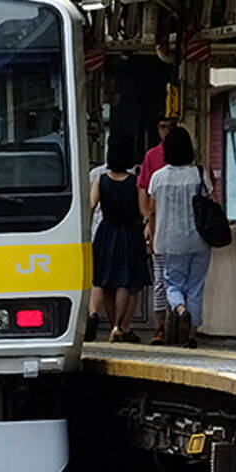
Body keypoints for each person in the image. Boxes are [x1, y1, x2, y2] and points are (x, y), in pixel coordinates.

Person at [147, 127, 210, 348]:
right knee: (196, 286)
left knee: (172, 284)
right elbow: (212, 201)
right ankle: (192, 334)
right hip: (199, 239)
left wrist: (152, 239)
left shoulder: (157, 178)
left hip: (169, 240)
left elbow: (152, 211)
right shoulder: (199, 174)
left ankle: (181, 310)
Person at [91, 138, 150, 342]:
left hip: (106, 232)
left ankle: (113, 324)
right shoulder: (135, 182)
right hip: (130, 233)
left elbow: (91, 206)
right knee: (127, 281)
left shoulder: (101, 180)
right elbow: (145, 210)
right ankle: (120, 325)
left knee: (106, 281)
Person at [84, 153, 109, 342]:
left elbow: (90, 204)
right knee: (121, 282)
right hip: (123, 231)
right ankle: (120, 325)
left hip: (97, 230)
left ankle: (93, 312)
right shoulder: (132, 176)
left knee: (97, 277)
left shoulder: (96, 174)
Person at [137, 112, 177, 221]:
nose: (167, 131)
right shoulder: (151, 155)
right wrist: (147, 218)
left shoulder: (184, 153)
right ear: (158, 129)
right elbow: (143, 187)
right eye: (163, 127)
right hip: (158, 215)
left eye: (171, 126)